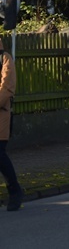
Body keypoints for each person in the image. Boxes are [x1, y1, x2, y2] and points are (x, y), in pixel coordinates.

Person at [0, 39, 23, 211]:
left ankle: (15, 190)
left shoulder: (5, 58)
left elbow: (7, 87)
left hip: (1, 114)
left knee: (0, 154)